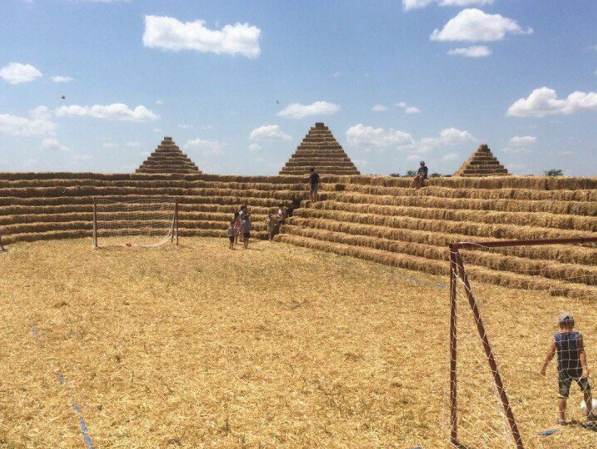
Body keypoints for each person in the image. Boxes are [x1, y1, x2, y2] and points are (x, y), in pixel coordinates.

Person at [540, 313, 593, 424]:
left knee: (562, 394)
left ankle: (562, 419)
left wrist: (544, 366)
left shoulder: (556, 337)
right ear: (572, 324)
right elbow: (581, 352)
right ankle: (589, 415)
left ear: (559, 324)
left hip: (564, 370)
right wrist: (585, 368)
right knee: (587, 390)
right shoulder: (578, 336)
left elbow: (550, 353)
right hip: (578, 369)